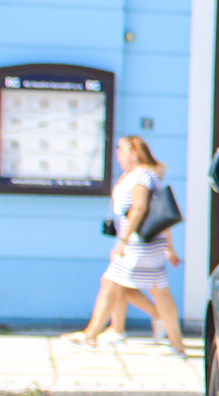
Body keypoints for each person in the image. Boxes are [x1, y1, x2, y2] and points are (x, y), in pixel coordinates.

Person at [64, 136, 187, 356]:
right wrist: (168, 247)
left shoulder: (141, 176)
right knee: (156, 292)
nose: (117, 154)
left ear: (134, 153)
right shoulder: (142, 175)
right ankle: (176, 344)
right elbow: (158, 213)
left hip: (138, 244)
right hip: (145, 243)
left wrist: (122, 241)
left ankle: (91, 335)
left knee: (112, 284)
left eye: (121, 150)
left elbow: (140, 209)